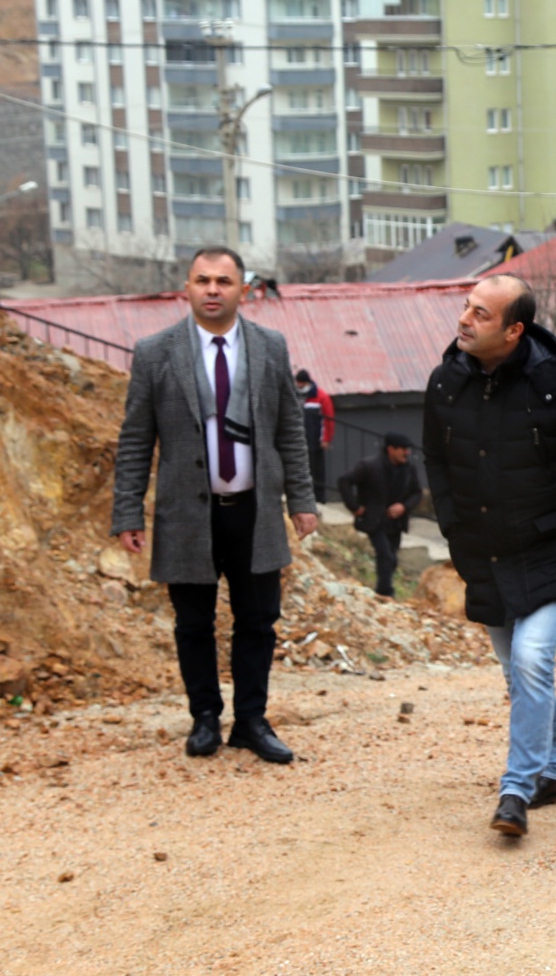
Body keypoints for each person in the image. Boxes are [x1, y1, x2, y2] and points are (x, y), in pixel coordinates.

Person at [422, 274, 556, 838]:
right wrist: (454, 528)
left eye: (481, 313)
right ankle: (554, 771)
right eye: (465, 306)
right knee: (519, 672)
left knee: (532, 662)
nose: (464, 319)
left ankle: (516, 788)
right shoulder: (444, 384)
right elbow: (436, 461)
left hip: (554, 547)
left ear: (513, 330)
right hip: (484, 551)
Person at [112, 247, 318, 765]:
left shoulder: (270, 347)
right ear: (186, 287)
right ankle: (204, 717)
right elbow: (136, 438)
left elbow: (291, 430)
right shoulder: (156, 352)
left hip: (254, 510)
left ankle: (251, 720)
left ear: (242, 290)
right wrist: (128, 512)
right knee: (192, 622)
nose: (212, 290)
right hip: (186, 513)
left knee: (258, 619)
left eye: (223, 281)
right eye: (202, 280)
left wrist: (303, 499)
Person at [337, 432, 423, 598]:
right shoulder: (370, 466)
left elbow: (417, 493)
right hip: (375, 520)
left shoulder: (408, 469)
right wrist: (355, 507)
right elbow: (344, 481)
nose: (407, 453)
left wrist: (404, 507)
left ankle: (383, 590)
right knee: (385, 555)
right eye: (403, 449)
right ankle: (385, 593)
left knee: (392, 559)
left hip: (396, 522)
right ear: (391, 449)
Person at [295, 369, 336, 503]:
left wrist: (326, 439)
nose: (300, 387)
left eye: (301, 384)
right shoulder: (296, 396)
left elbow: (328, 420)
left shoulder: (321, 396)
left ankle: (319, 499)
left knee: (317, 471)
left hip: (315, 441)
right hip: (299, 441)